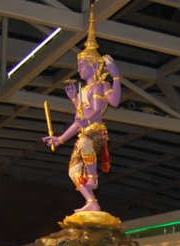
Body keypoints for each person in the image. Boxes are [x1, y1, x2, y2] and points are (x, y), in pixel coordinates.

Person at [42, 7, 121, 213]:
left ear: (94, 66)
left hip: (96, 133)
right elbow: (79, 118)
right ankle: (91, 201)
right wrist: (60, 138)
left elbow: (109, 104)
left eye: (82, 65)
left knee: (85, 143)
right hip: (85, 132)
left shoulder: (100, 86)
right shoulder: (84, 90)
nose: (79, 69)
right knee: (73, 170)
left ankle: (93, 177)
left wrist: (116, 77)